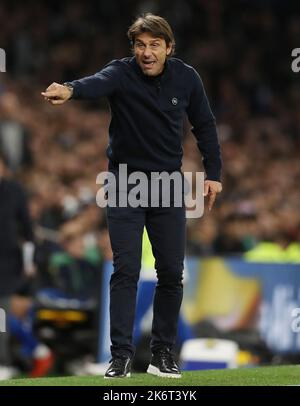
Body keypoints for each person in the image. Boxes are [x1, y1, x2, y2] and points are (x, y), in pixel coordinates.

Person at [42, 13, 222, 379]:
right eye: (140, 45)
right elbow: (95, 83)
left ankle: (162, 355)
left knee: (172, 272)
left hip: (168, 186)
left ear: (169, 48)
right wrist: (71, 89)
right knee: (125, 269)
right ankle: (120, 356)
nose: (147, 52)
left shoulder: (187, 78)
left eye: (155, 44)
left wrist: (214, 175)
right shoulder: (120, 73)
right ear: (133, 49)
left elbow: (204, 124)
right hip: (124, 184)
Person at [0, 152, 35, 379]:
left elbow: (28, 229)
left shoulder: (15, 191)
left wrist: (29, 260)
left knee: (1, 313)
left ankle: (3, 361)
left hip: (7, 263)